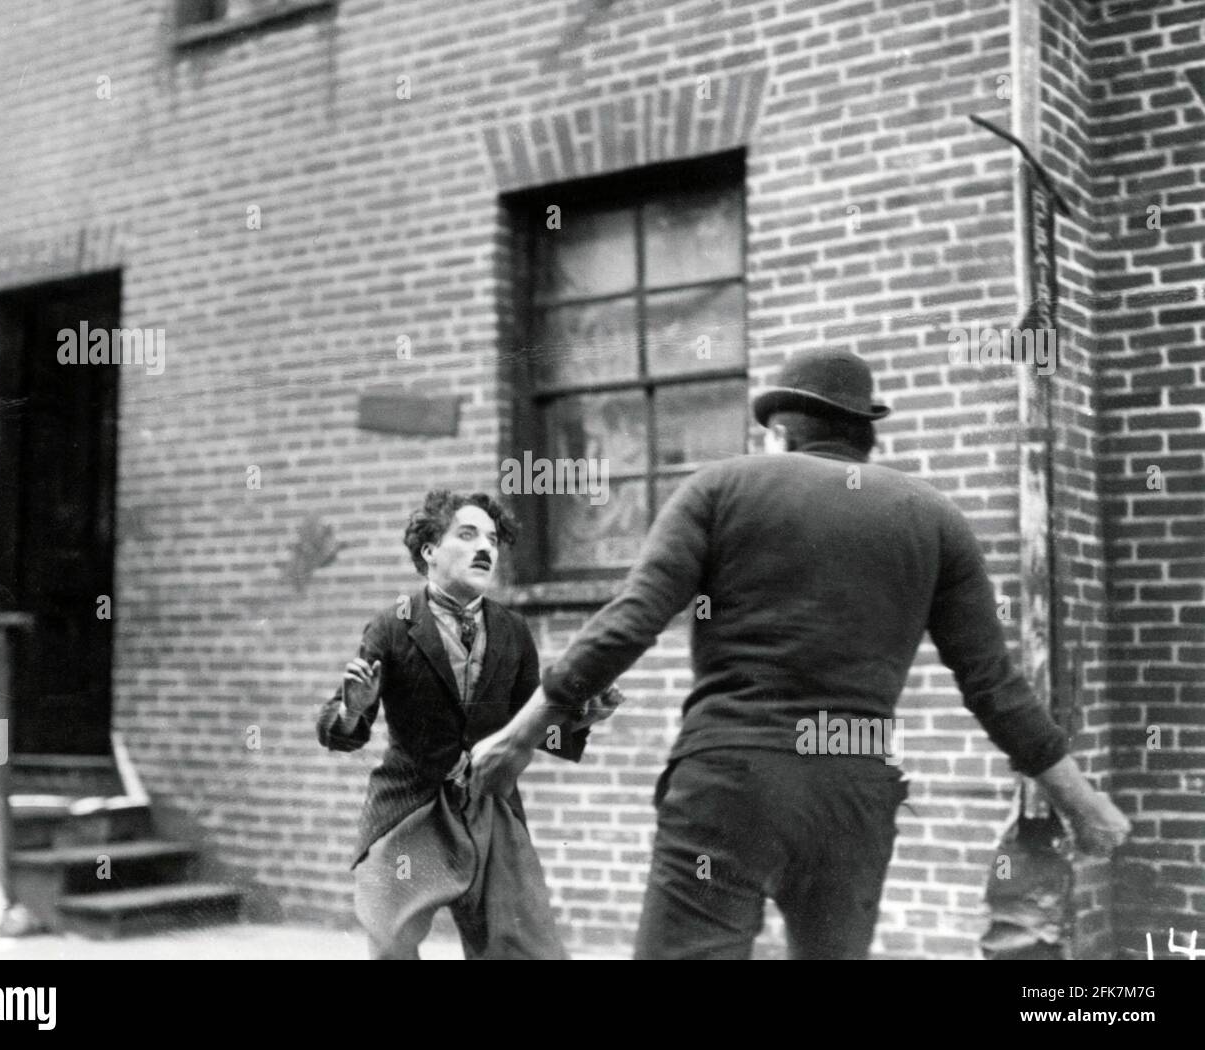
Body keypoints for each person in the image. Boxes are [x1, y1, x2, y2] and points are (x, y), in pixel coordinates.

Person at [468, 347, 1132, 960]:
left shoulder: (718, 489)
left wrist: (521, 737)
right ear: (864, 434)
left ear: (779, 432)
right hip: (853, 790)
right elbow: (993, 684)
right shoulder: (935, 518)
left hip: (729, 780)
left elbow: (630, 622)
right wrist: (1082, 804)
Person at [316, 489, 616, 960]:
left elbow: (531, 726)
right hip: (413, 805)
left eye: (493, 540)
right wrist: (354, 710)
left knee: (524, 943)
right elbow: (341, 729)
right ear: (430, 551)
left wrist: (579, 718)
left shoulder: (513, 631)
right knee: (390, 937)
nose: (485, 549)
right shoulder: (392, 627)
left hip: (490, 803)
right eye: (468, 534)